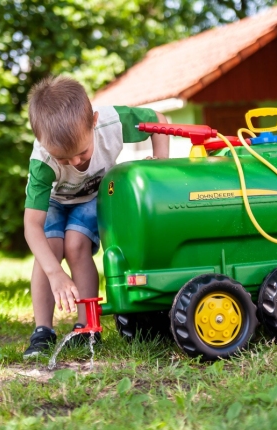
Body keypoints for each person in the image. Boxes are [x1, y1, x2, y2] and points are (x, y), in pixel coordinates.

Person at [23, 75, 170, 358]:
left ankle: (87, 326)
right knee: (50, 249)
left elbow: (158, 120)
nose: (75, 163)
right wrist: (56, 273)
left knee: (76, 244)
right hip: (54, 201)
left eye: (81, 153)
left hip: (92, 196)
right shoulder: (42, 163)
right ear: (42, 142)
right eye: (63, 159)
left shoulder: (112, 122)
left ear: (94, 121)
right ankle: (42, 331)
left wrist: (160, 163)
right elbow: (32, 226)